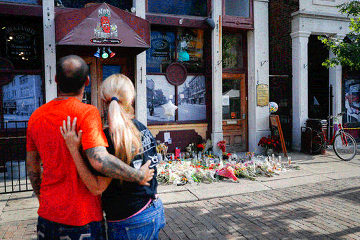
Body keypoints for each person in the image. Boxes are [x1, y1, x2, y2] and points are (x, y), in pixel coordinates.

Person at [26, 55, 154, 240]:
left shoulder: (36, 117)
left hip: (47, 214)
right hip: (82, 216)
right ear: (87, 81)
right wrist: (138, 175)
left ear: (55, 79)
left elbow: (32, 166)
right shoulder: (87, 113)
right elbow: (99, 160)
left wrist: (43, 199)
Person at [61, 73, 166, 240]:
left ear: (103, 100)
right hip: (152, 208)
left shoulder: (109, 137)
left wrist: (74, 149)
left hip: (129, 219)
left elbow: (97, 187)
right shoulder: (140, 127)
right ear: (131, 100)